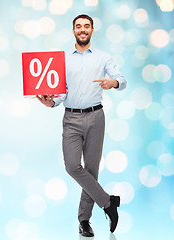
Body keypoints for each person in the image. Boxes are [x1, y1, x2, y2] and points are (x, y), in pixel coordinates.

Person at [36, 14, 127, 237]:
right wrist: (51, 102)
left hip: (96, 117)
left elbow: (121, 80)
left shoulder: (104, 57)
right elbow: (59, 90)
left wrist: (112, 82)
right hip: (71, 119)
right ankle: (108, 202)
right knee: (72, 166)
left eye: (86, 26)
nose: (83, 30)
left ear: (92, 30)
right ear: (73, 31)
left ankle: (84, 221)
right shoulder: (62, 59)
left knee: (92, 170)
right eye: (79, 26)